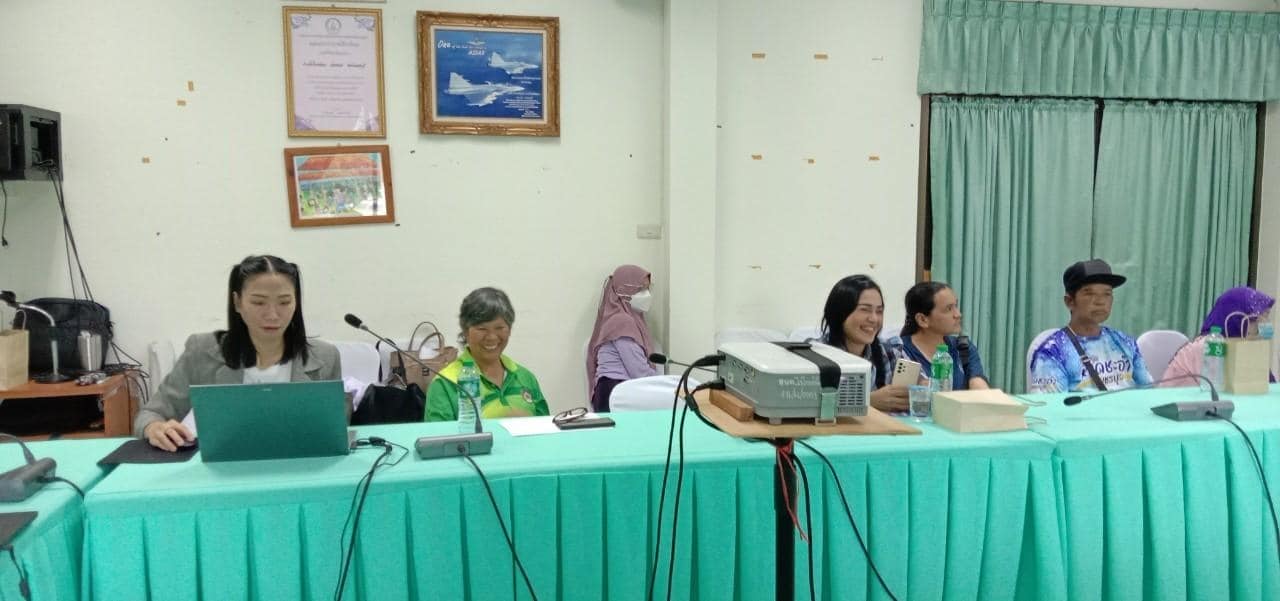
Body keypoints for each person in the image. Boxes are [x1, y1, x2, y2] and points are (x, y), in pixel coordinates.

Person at [134, 255, 342, 451]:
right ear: (237, 302)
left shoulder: (326, 357)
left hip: (300, 465)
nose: (272, 315)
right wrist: (154, 428)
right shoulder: (201, 351)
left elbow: (334, 430)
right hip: (221, 467)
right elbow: (150, 413)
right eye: (259, 302)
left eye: (284, 302)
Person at [1028, 259, 1152, 393]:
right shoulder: (1052, 353)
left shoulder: (1125, 342)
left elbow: (1149, 391)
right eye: (1089, 293)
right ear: (1069, 301)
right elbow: (1051, 405)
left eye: (1107, 293)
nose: (1100, 301)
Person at [426, 287, 548, 421]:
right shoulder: (445, 384)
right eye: (482, 328)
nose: (491, 337)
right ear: (465, 332)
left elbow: (547, 430)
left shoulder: (525, 377)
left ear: (509, 329)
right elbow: (439, 434)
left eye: (499, 328)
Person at [820, 275, 906, 412]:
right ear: (840, 312)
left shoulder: (890, 352)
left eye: (879, 311)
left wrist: (922, 388)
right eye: (865, 309)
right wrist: (868, 401)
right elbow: (808, 404)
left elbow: (922, 387)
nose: (874, 319)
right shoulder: (815, 355)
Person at [1161, 286, 1275, 387]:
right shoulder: (1211, 346)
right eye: (1259, 318)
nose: (1264, 323)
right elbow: (1220, 389)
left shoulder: (1242, 347)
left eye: (1267, 316)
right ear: (1237, 319)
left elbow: (1268, 386)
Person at [890, 281, 989, 390]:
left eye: (956, 306)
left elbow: (978, 383)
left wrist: (979, 386)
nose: (958, 314)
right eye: (949, 309)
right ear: (922, 320)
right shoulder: (899, 352)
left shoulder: (963, 347)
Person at [586, 265, 658, 412]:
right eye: (641, 290)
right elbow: (639, 371)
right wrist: (668, 385)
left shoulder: (625, 319)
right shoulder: (622, 321)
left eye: (647, 289)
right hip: (615, 393)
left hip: (615, 391)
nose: (647, 295)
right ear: (624, 292)